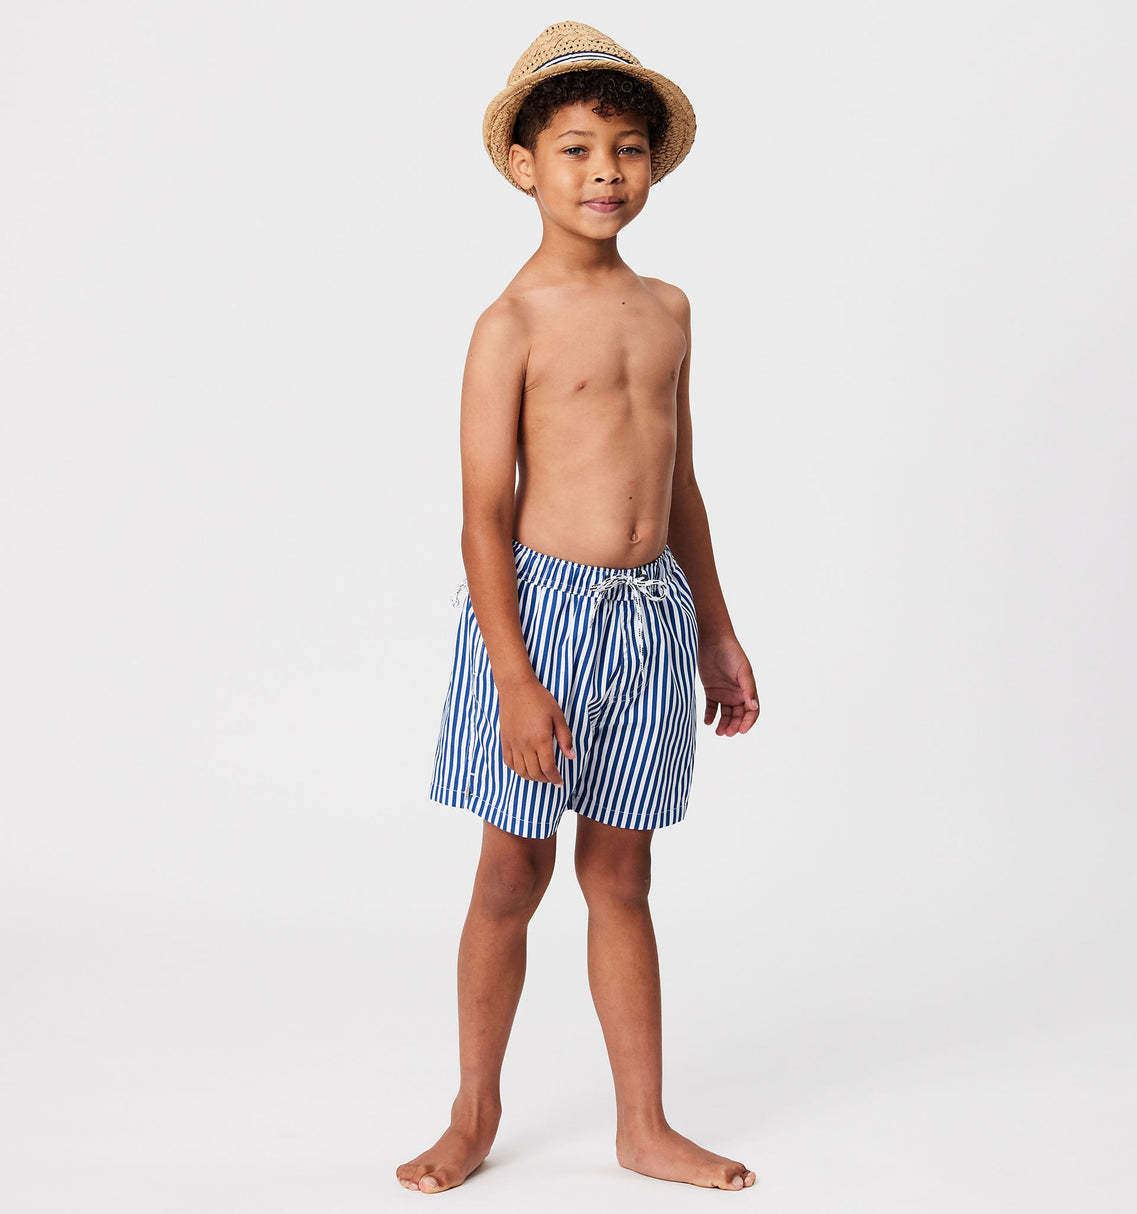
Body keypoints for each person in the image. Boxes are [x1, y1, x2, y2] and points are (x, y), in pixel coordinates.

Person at [398, 21, 760, 1195]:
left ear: (651, 165)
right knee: (512, 874)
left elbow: (680, 482)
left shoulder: (668, 309)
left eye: (626, 149)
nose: (605, 171)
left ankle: (642, 1123)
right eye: (575, 149)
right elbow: (479, 515)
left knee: (621, 876)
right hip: (539, 622)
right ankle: (473, 1107)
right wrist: (513, 676)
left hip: (651, 619)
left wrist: (714, 628)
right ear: (523, 165)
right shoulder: (509, 325)